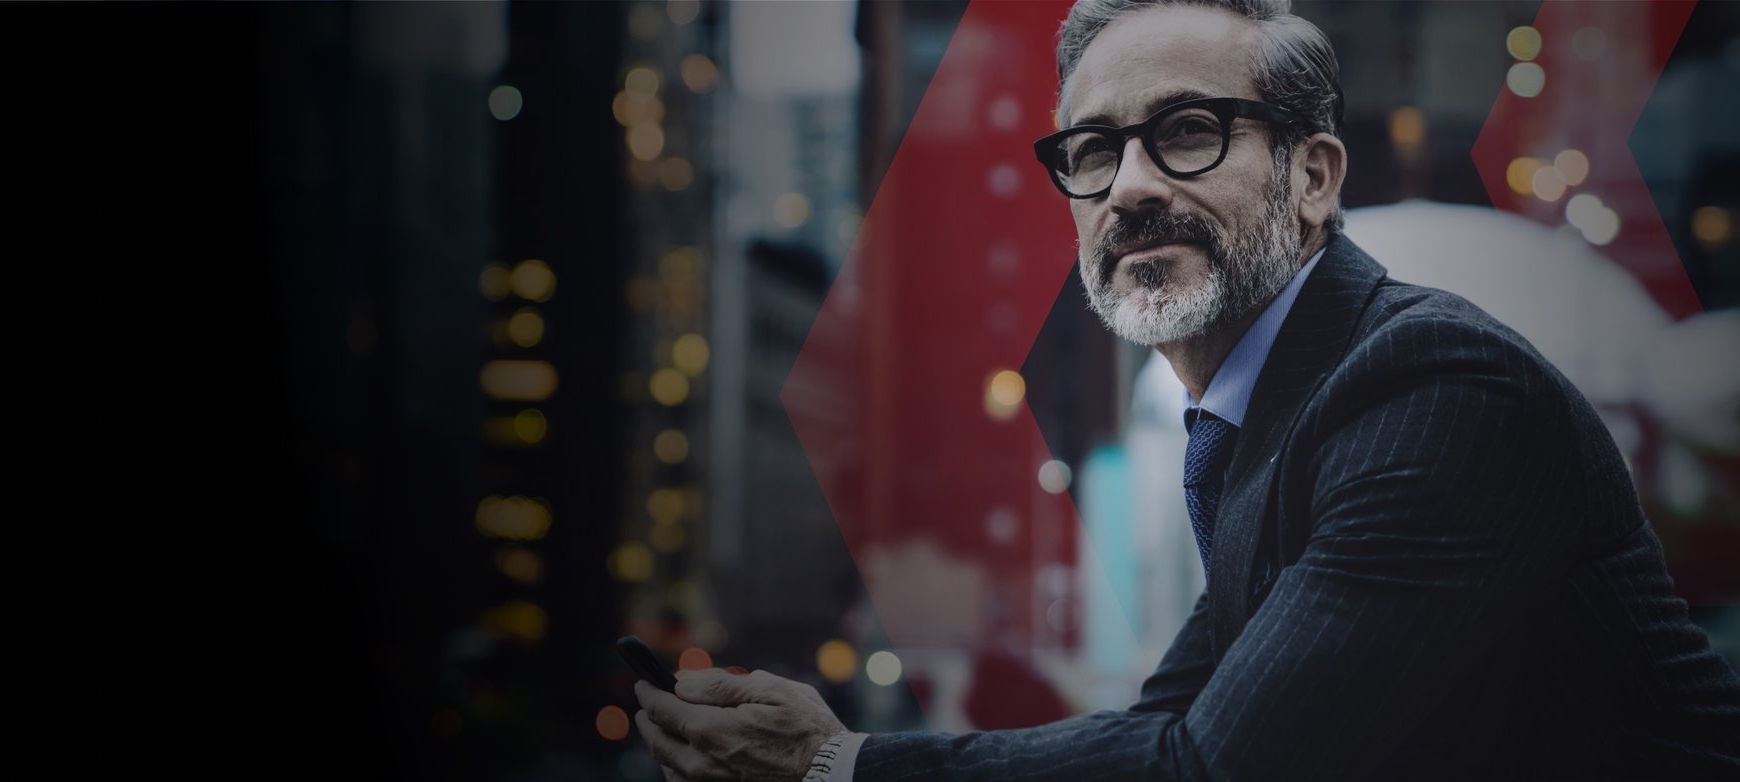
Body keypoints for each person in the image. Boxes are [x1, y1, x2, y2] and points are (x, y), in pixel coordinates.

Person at [633, 1, 1740, 779]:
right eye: (1093, 151)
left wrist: (840, 764)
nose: (1131, 186)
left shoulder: (1430, 390)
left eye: (1188, 133)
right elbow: (1176, 718)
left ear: (1313, 178)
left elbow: (1219, 765)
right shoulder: (1265, 416)